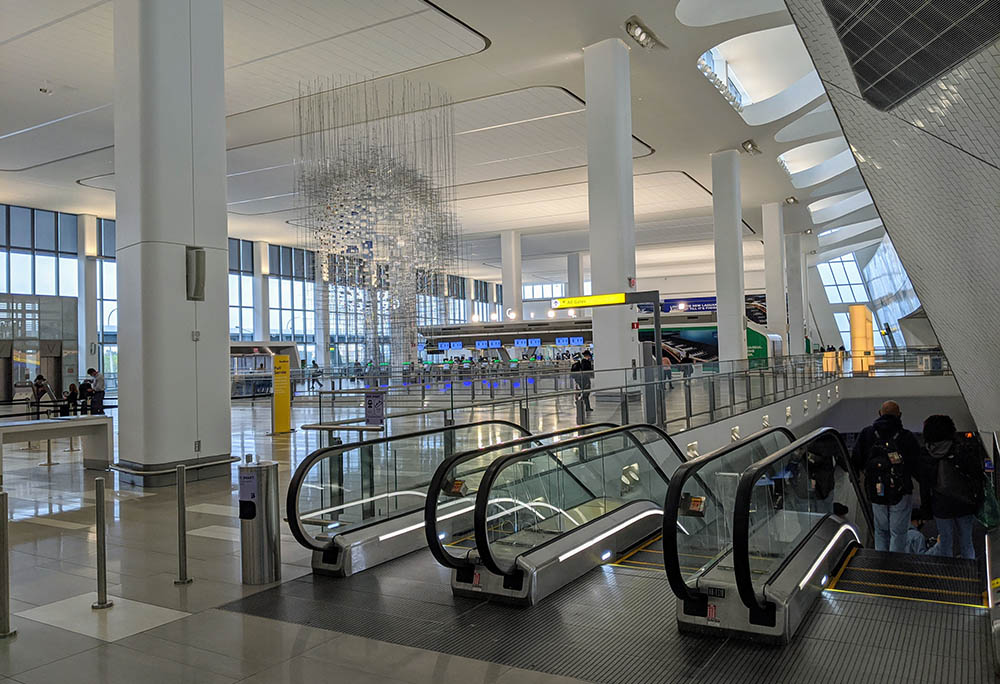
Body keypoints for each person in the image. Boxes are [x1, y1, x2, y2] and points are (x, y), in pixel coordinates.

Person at [852, 400, 921, 553]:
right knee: (898, 532)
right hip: (901, 490)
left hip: (876, 490)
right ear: (900, 415)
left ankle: (880, 564)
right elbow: (917, 463)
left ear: (879, 413)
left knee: (881, 530)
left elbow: (856, 459)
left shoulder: (867, 434)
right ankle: (894, 564)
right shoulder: (906, 436)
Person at [918, 415, 983, 559]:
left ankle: (947, 574)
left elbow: (925, 484)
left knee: (945, 541)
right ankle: (968, 573)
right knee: (966, 541)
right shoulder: (962, 450)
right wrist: (978, 501)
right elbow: (976, 476)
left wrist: (926, 510)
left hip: (941, 505)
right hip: (964, 503)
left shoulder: (927, 455)